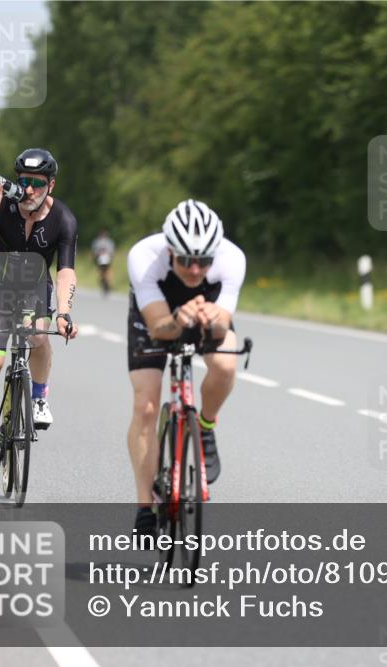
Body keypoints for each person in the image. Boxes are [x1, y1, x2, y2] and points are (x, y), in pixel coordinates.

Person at [125, 199, 245, 535]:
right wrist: (178, 318)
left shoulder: (232, 259)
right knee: (145, 406)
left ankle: (204, 426)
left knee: (225, 364)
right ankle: (145, 507)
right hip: (159, 317)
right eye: (186, 260)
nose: (195, 270)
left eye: (203, 261)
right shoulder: (144, 257)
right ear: (169, 251)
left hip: (204, 314)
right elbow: (158, 328)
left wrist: (212, 321)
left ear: (215, 254)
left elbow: (222, 327)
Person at [0, 148, 79, 469]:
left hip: (34, 288)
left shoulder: (64, 219)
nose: (28, 189)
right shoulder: (3, 207)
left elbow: (66, 270)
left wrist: (63, 312)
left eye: (37, 183)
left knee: (40, 338)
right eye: (23, 181)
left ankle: (39, 397)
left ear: (51, 185)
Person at [91, 230, 116, 295]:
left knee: (106, 273)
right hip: (101, 261)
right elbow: (94, 252)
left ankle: (108, 283)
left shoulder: (105, 242)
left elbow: (111, 252)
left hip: (106, 260)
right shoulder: (99, 242)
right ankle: (105, 283)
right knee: (102, 273)